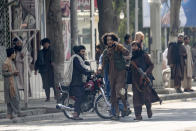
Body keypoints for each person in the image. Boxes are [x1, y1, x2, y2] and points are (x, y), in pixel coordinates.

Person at [128, 41, 161, 120]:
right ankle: (138, 115)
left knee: (146, 97)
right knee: (136, 98)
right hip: (135, 81)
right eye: (132, 46)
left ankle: (149, 109)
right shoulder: (132, 58)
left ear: (139, 47)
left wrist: (146, 73)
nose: (133, 48)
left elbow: (151, 65)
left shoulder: (144, 55)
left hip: (144, 79)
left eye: (135, 46)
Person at [101, 32, 130, 120]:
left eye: (111, 40)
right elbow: (103, 62)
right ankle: (117, 113)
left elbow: (126, 53)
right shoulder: (106, 51)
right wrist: (99, 70)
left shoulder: (118, 47)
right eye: (107, 40)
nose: (109, 41)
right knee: (113, 94)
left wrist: (120, 47)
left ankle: (125, 106)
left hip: (121, 72)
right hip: (111, 74)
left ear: (114, 40)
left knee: (120, 90)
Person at [69, 45, 92, 120]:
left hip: (80, 80)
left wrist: (89, 71)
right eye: (82, 51)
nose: (84, 53)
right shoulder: (76, 58)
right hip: (75, 81)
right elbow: (80, 68)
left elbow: (84, 66)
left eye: (84, 51)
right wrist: (87, 72)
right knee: (79, 97)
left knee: (82, 95)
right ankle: (75, 114)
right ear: (78, 51)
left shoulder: (81, 58)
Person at [2, 48, 24, 119]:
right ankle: (18, 112)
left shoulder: (11, 61)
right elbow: (4, 73)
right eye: (14, 53)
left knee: (11, 99)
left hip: (13, 82)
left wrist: (15, 73)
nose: (15, 54)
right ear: (11, 54)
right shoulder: (6, 62)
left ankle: (9, 114)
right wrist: (13, 73)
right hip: (9, 84)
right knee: (14, 98)